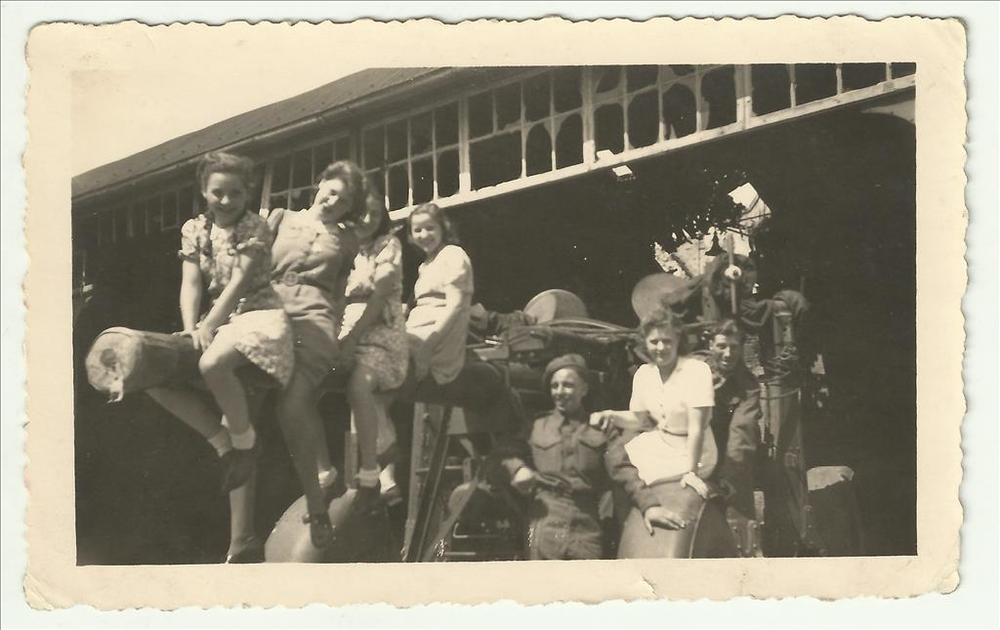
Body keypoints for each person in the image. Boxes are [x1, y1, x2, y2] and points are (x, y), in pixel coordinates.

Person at [145, 151, 294, 563]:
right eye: (218, 193)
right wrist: (191, 327)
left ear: (247, 193)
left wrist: (208, 325)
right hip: (219, 322)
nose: (226, 201)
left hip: (259, 317)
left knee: (213, 366)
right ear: (203, 191)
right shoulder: (195, 229)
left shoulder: (254, 226)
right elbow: (191, 282)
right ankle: (225, 444)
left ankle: (242, 449)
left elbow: (240, 283)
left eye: (235, 193)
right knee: (148, 372)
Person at [267, 160, 367, 548]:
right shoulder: (280, 218)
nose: (333, 201)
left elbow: (339, 295)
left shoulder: (346, 241)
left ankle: (318, 491)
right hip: (269, 311)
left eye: (343, 201)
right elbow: (253, 269)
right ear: (319, 183)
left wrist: (339, 337)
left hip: (315, 318)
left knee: (292, 401)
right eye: (331, 191)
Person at [595, 308, 718, 557]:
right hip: (661, 441)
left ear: (678, 340)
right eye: (654, 341)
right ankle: (622, 532)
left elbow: (696, 428)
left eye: (667, 341)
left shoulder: (697, 371)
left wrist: (691, 472)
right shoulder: (644, 374)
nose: (660, 348)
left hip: (694, 449)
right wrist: (611, 415)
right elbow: (640, 419)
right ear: (645, 342)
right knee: (619, 467)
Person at [325, 194, 408, 506]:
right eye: (363, 212)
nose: (369, 219)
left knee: (360, 385)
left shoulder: (388, 245)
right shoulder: (343, 249)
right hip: (346, 328)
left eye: (375, 214)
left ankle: (377, 465)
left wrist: (350, 341)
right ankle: (330, 472)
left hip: (380, 330)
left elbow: (378, 299)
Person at [493, 354, 611, 560]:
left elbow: (623, 471)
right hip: (546, 522)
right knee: (544, 580)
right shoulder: (536, 426)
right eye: (554, 386)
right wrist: (518, 468)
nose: (560, 392)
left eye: (568, 385)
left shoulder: (600, 429)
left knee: (590, 579)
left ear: (584, 389)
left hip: (587, 526)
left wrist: (650, 506)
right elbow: (503, 453)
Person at [403, 202, 474, 390]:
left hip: (438, 339)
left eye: (430, 228)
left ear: (442, 228)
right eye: (417, 230)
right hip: (417, 331)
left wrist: (426, 349)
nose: (424, 235)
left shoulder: (453, 255)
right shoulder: (425, 265)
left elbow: (456, 306)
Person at [704, 319, 762, 519]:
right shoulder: (694, 373)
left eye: (734, 347)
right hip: (696, 454)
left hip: (731, 461)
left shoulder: (748, 386)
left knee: (736, 515)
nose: (728, 354)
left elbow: (742, 432)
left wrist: (727, 477)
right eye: (722, 346)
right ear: (711, 345)